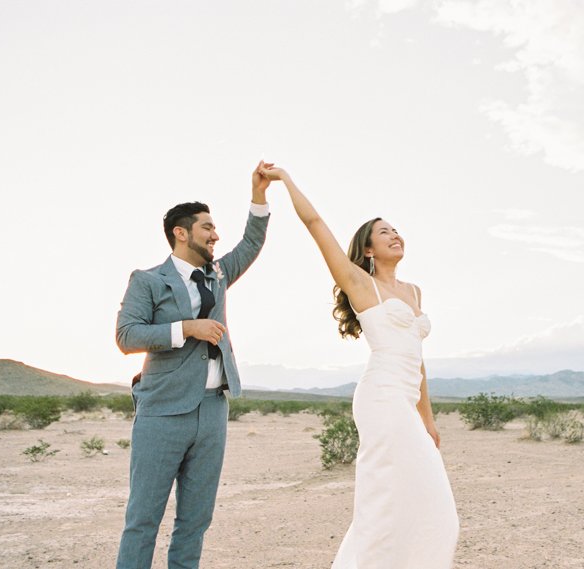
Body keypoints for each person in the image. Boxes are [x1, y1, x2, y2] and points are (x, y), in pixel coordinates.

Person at [260, 164, 459, 568]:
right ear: (368, 249)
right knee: (385, 503)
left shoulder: (413, 291)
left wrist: (428, 418)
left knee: (431, 505)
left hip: (405, 403)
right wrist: (284, 180)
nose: (395, 235)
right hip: (380, 399)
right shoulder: (358, 283)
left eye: (396, 229)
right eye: (384, 231)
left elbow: (417, 362)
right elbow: (315, 223)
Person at [114, 162, 272, 569]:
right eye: (207, 227)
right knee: (143, 519)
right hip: (162, 411)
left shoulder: (218, 274)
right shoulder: (147, 280)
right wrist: (187, 327)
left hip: (213, 409)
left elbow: (250, 244)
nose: (216, 235)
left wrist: (258, 195)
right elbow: (127, 336)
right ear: (181, 233)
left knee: (196, 520)